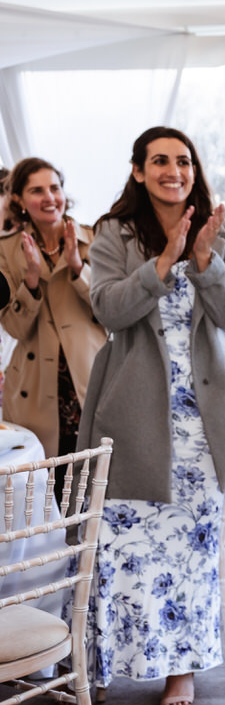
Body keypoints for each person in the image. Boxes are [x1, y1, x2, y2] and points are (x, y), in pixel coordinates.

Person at [76, 126, 225, 705]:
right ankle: (104, 663)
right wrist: (161, 264)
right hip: (133, 417)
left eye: (182, 160)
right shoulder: (114, 233)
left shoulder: (222, 231)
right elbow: (107, 309)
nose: (172, 169)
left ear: (194, 169)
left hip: (206, 424)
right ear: (138, 171)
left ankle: (181, 668)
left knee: (189, 551)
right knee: (116, 548)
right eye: (159, 160)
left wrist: (205, 260)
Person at [0, 158, 106, 473]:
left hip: (88, 380)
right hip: (34, 390)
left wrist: (77, 268)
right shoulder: (5, 250)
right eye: (37, 190)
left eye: (54, 188)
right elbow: (15, 329)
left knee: (91, 485)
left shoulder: (95, 240)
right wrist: (31, 280)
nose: (49, 197)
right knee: (43, 493)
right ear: (18, 199)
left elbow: (112, 315)